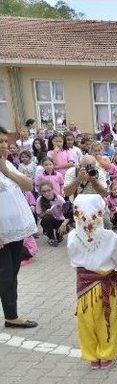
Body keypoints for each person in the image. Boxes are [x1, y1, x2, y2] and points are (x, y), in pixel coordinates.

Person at [67, 194, 117, 369]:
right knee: (106, 319)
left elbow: (73, 260)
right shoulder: (109, 236)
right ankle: (108, 355)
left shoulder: (73, 236)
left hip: (84, 285)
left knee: (86, 320)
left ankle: (92, 356)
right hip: (106, 285)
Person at [0, 126, 39, 329]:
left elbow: (28, 186)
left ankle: (11, 315)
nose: (4, 146)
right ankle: (11, 315)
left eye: (5, 142)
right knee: (5, 275)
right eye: (0, 142)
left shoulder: (8, 165)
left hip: (15, 232)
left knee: (11, 273)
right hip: (1, 235)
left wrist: (6, 171)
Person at [37, 181, 67, 246]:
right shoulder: (40, 199)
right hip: (49, 220)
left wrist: (64, 224)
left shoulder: (60, 199)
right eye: (44, 191)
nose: (47, 193)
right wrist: (45, 213)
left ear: (52, 189)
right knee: (47, 219)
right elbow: (39, 215)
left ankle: (59, 235)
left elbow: (67, 214)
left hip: (60, 220)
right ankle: (51, 237)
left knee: (65, 227)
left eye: (48, 190)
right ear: (41, 192)